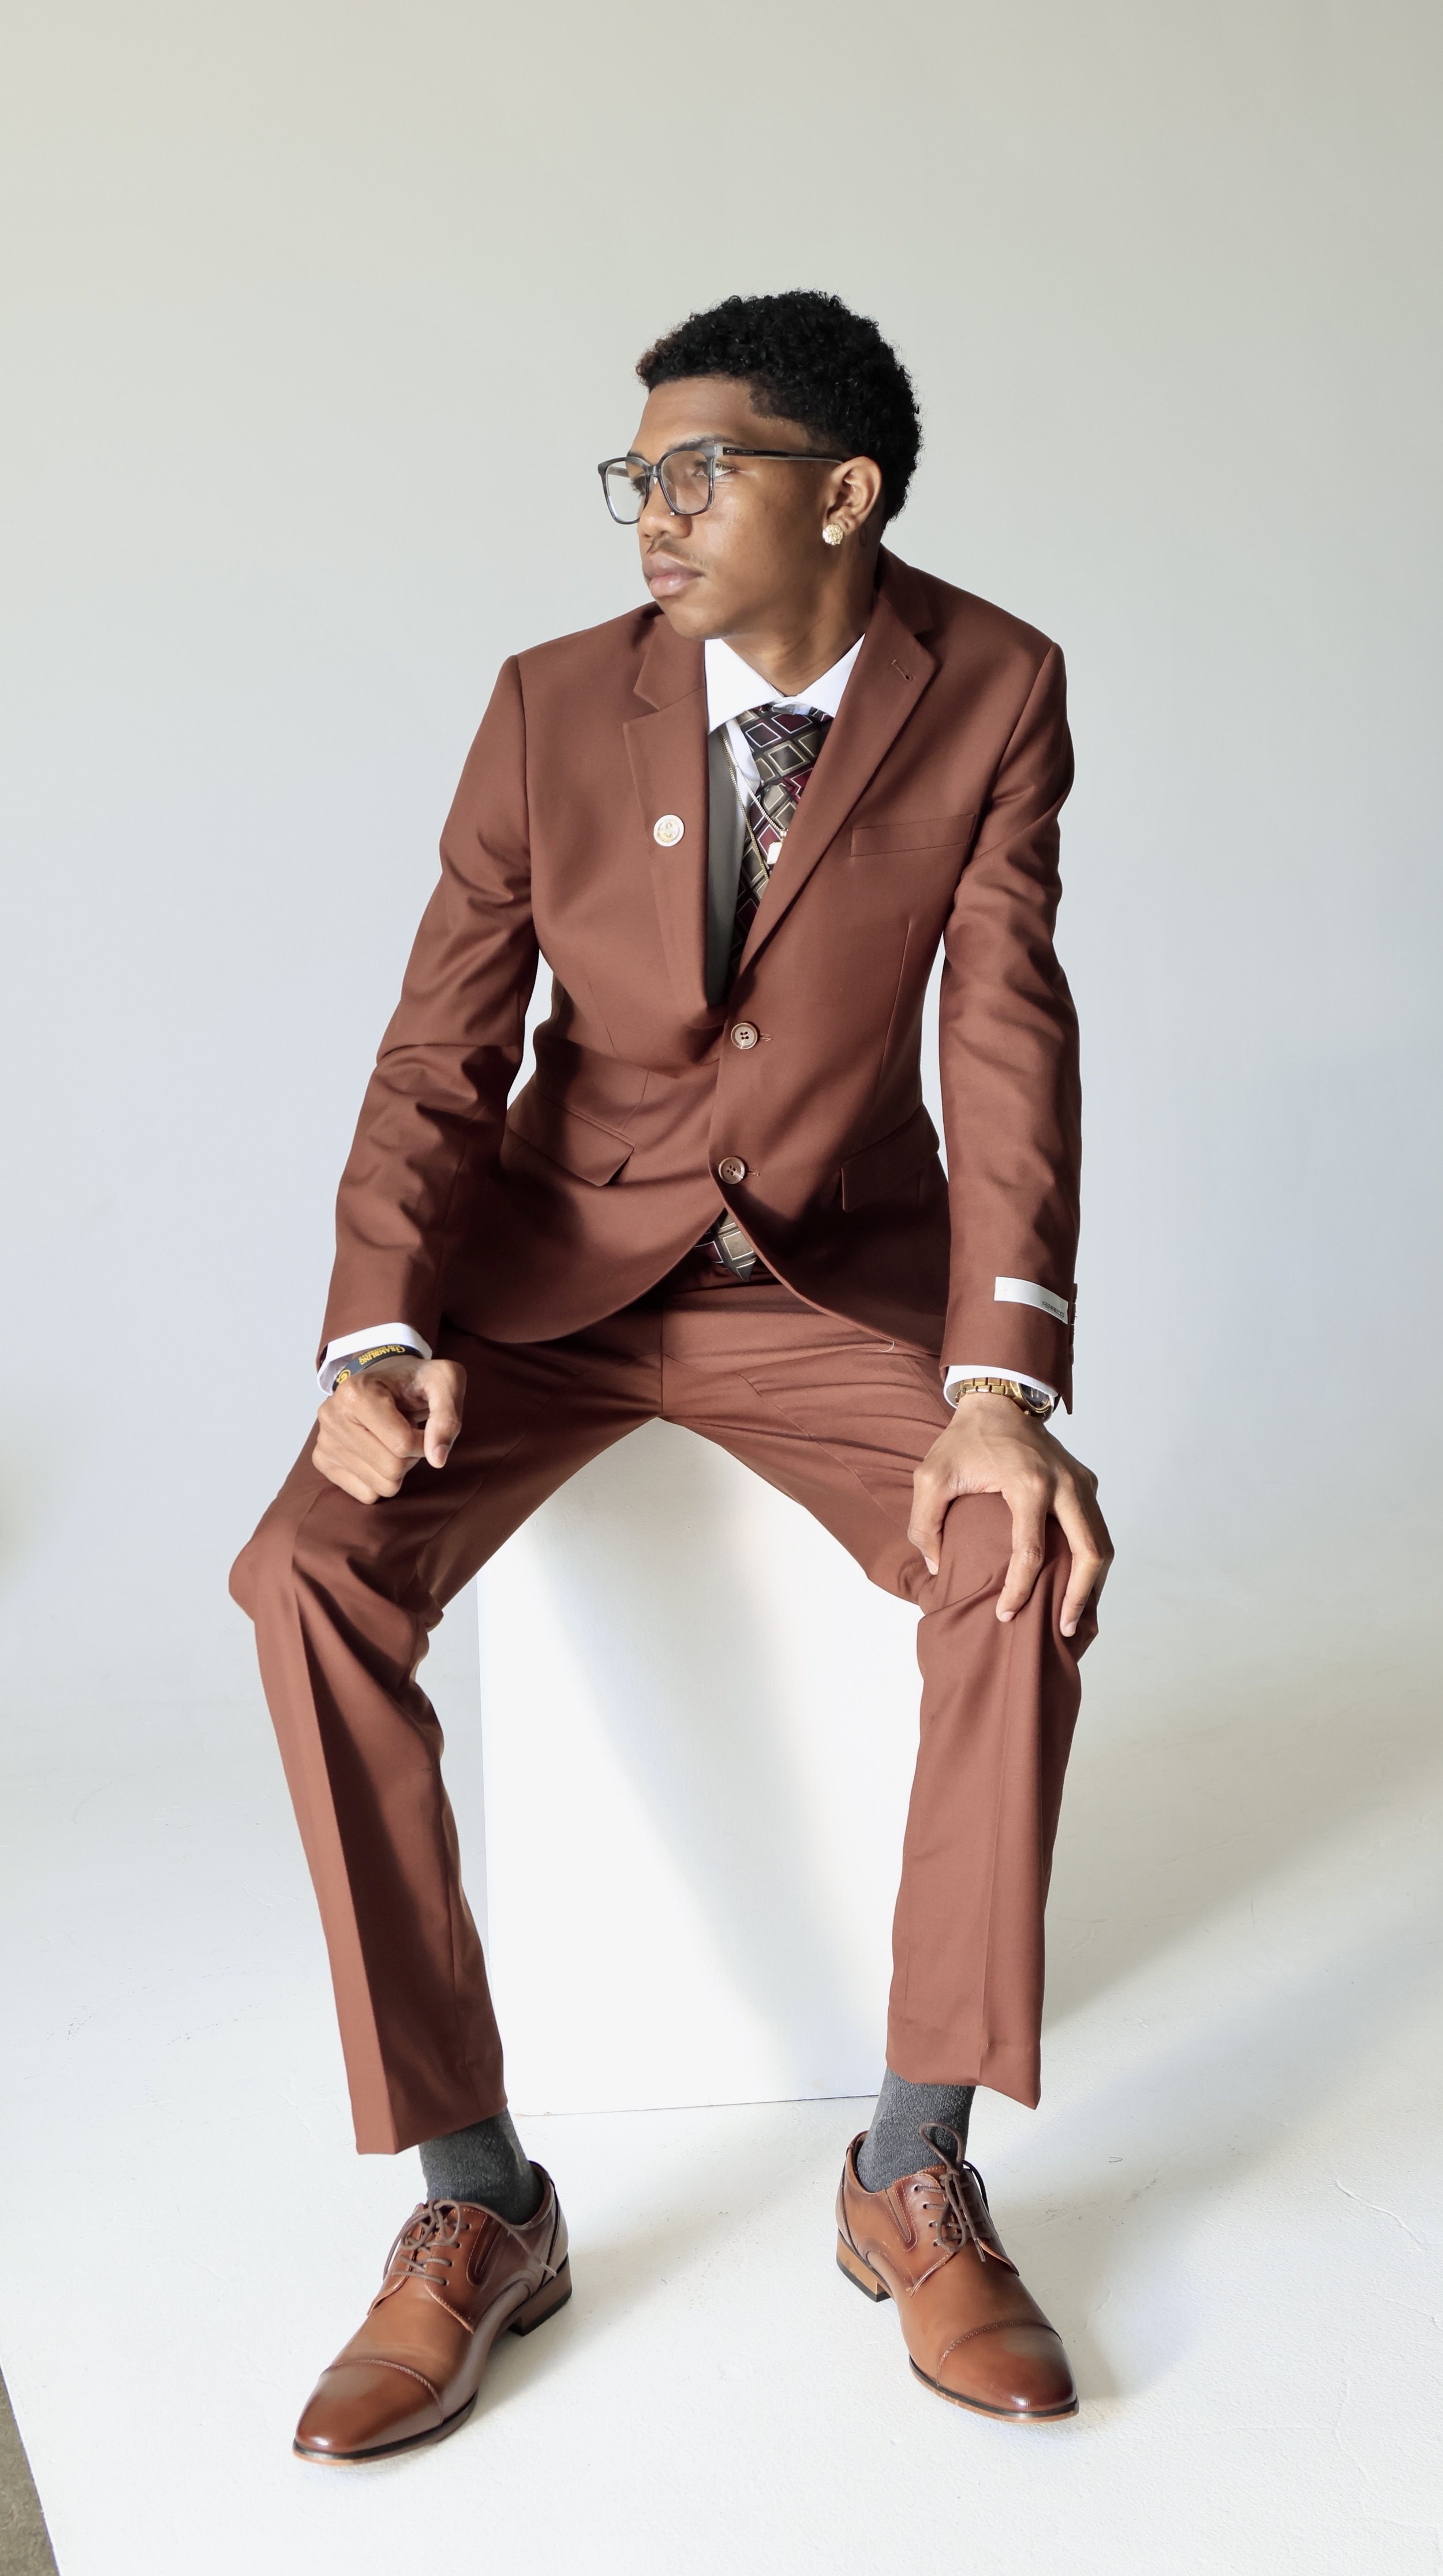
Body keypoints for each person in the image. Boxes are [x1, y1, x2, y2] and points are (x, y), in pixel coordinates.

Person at [231, 287, 1113, 2462]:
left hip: (825, 1292)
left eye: (697, 471)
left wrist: (1005, 1379)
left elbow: (1004, 1034)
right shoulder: (548, 706)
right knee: (303, 1575)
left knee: (1016, 1557)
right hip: (543, 1283)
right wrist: (374, 1337)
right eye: (636, 473)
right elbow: (439, 1050)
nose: (651, 510)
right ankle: (473, 2199)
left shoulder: (990, 684)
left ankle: (908, 2161)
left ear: (846, 493)